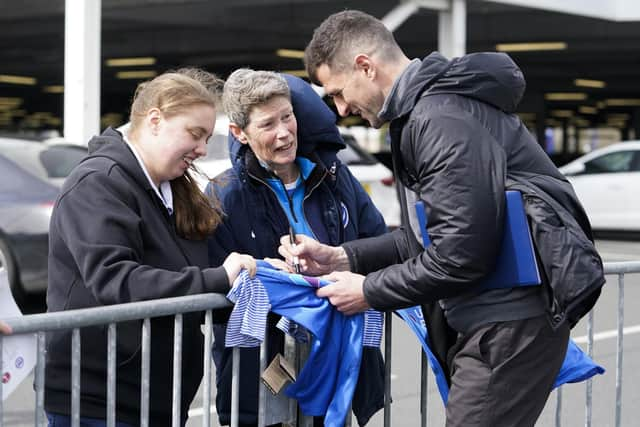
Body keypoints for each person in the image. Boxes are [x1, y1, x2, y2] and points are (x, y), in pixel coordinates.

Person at [278, 10, 605, 427]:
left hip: (506, 321)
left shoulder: (439, 118)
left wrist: (369, 291)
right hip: (501, 317)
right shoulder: (429, 112)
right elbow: (429, 235)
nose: (341, 108)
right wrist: (343, 257)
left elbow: (459, 254)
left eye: (339, 92)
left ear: (366, 66)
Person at [45, 68, 256, 427]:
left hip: (150, 398)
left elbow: (181, 277)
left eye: (207, 137)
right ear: (155, 120)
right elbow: (116, 281)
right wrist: (219, 279)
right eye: (196, 134)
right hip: (101, 401)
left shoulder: (170, 189)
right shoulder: (99, 183)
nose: (203, 149)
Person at [206, 69, 386, 426]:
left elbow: (379, 243)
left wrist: (339, 265)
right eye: (268, 124)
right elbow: (214, 292)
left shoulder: (336, 177)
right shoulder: (223, 195)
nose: (284, 132)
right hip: (263, 371)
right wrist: (268, 275)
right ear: (239, 133)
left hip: (336, 365)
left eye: (287, 117)